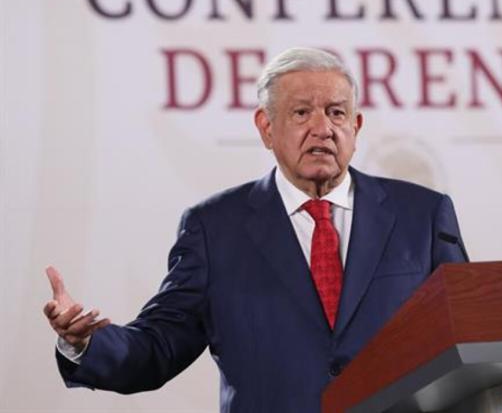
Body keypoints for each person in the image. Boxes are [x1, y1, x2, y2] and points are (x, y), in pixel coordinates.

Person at [44, 47, 468, 412]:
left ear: (355, 128)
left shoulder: (423, 216)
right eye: (302, 112)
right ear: (266, 128)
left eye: (336, 112)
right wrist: (83, 344)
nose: (322, 128)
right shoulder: (214, 229)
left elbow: (468, 339)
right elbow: (158, 347)